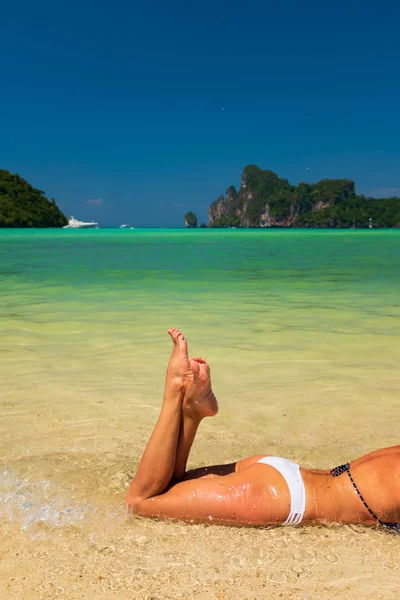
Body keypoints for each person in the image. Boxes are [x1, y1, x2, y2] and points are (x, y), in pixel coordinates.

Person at [125, 329, 400, 532]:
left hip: (287, 475)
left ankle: (192, 412)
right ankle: (175, 387)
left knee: (172, 485)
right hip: (281, 498)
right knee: (141, 501)